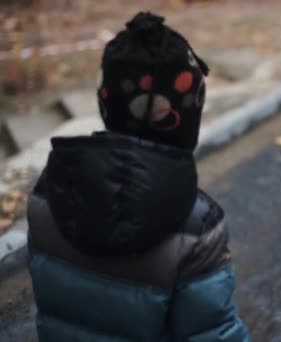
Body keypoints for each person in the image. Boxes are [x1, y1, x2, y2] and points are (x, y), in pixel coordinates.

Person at [26, 12, 249, 341]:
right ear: (186, 118)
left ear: (106, 104)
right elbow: (214, 333)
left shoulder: (51, 188)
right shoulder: (197, 226)